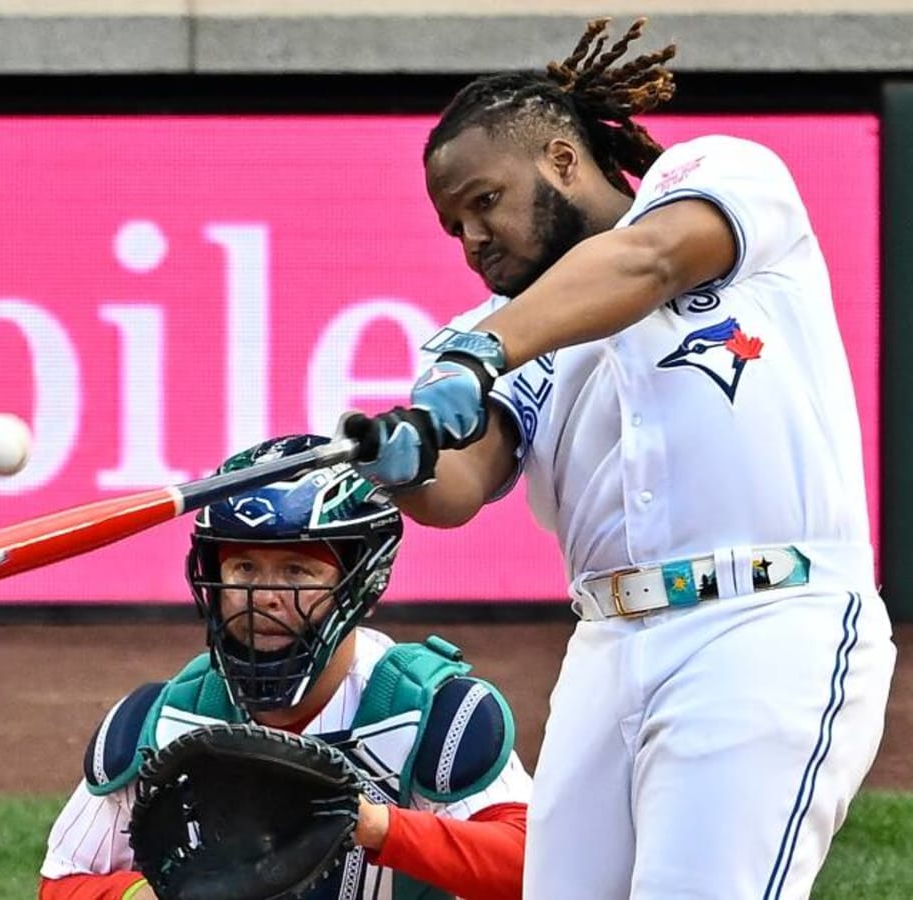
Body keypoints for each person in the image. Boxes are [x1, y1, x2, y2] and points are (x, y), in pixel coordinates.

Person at [337, 17, 896, 900]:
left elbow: (648, 259)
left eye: (485, 200)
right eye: (454, 226)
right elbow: (462, 484)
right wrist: (399, 462)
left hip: (763, 621)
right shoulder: (500, 338)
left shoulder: (716, 177)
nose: (473, 238)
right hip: (605, 652)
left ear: (562, 159)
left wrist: (484, 351)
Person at [38, 434, 530, 900]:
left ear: (361, 585)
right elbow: (62, 880)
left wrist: (373, 825)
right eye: (244, 569)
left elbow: (538, 867)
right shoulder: (164, 722)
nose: (265, 598)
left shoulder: (433, 715)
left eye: (297, 571)